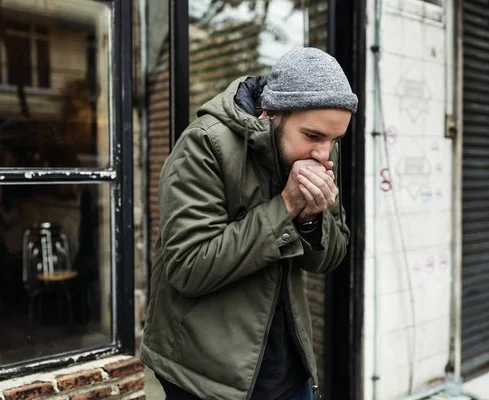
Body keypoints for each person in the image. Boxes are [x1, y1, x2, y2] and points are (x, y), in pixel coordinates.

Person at [140, 47, 358, 400]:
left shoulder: (320, 152)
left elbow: (330, 259)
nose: (324, 153)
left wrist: (309, 219)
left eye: (335, 140)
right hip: (204, 376)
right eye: (314, 136)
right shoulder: (205, 144)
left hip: (288, 368)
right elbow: (188, 267)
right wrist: (286, 206)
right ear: (271, 113)